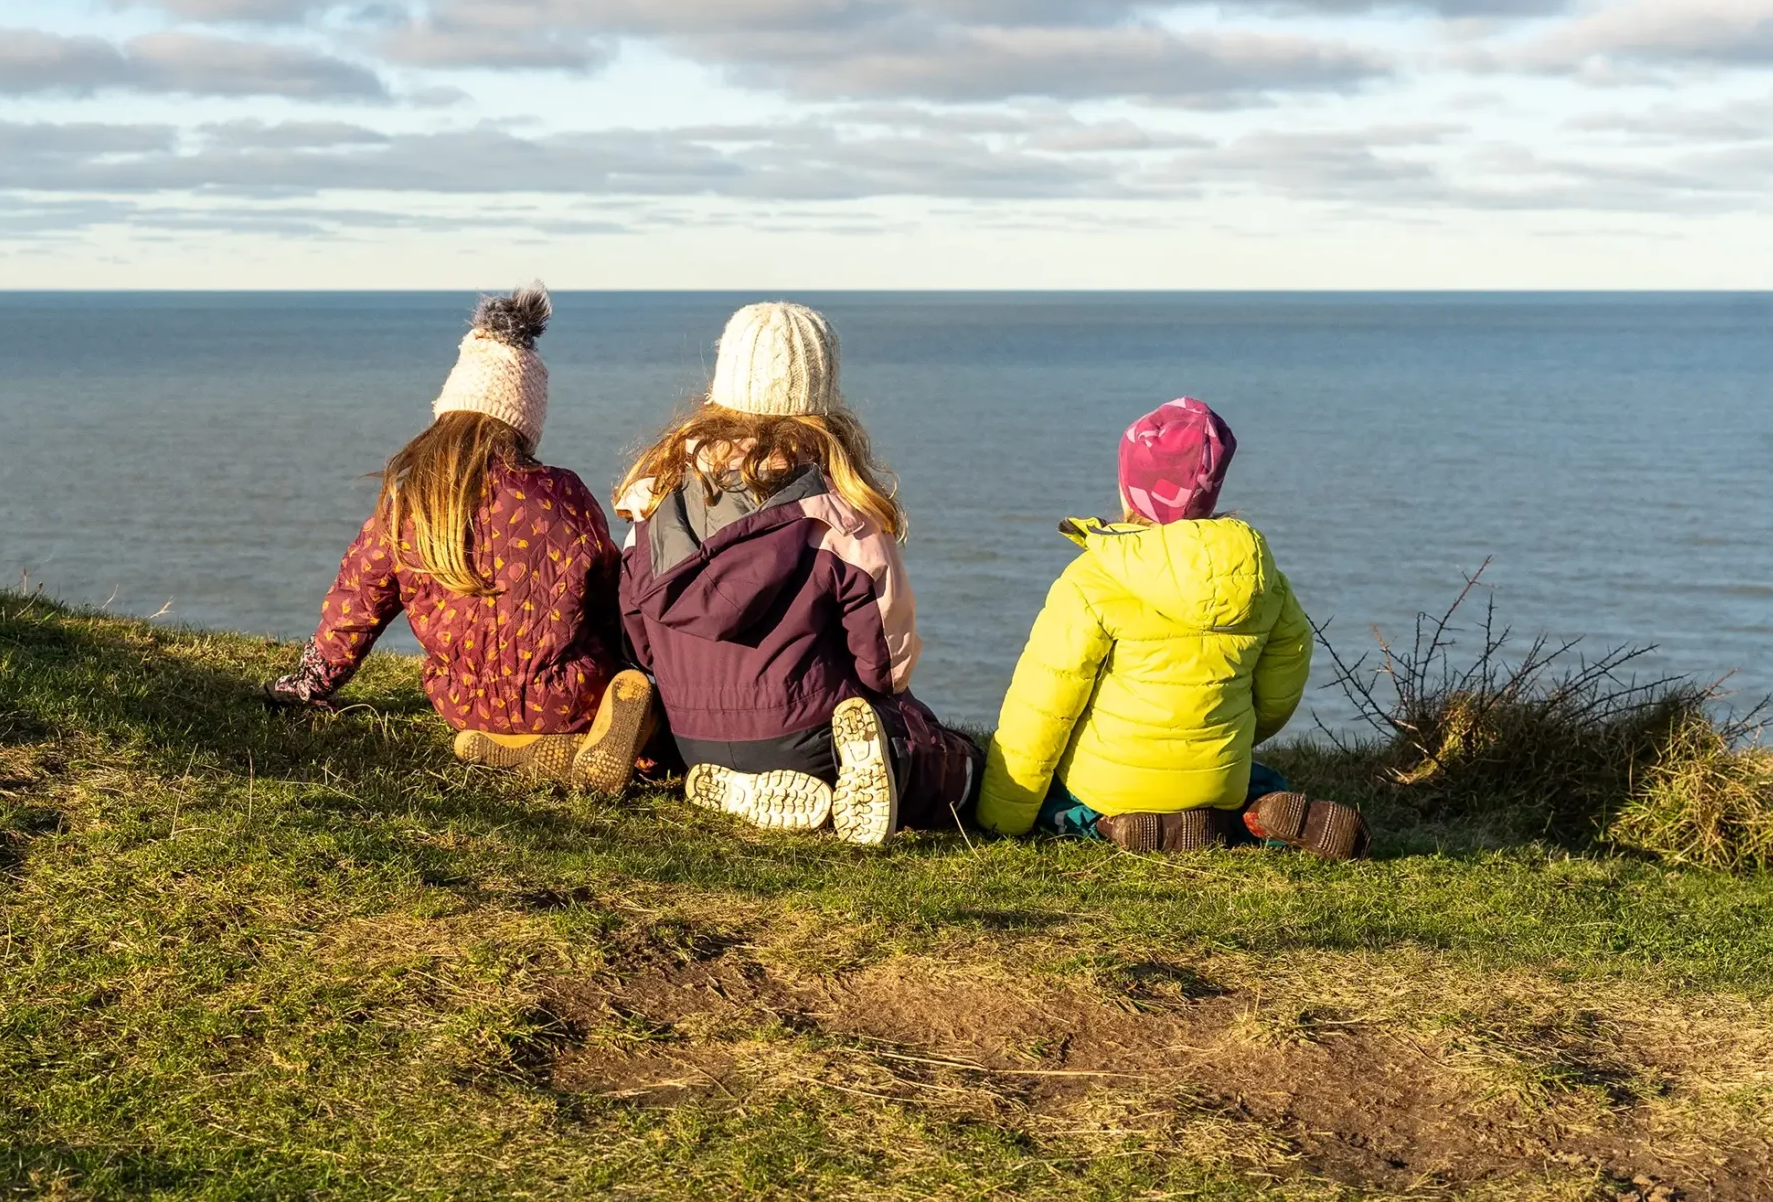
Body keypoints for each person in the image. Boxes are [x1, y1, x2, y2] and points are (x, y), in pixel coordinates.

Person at [614, 301, 978, 846]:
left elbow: (638, 643)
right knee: (940, 755)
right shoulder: (840, 517)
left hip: (693, 735)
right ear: (821, 395)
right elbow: (886, 664)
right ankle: (891, 774)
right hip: (812, 736)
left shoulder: (652, 504)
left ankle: (735, 784)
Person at [267, 287, 653, 796]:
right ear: (525, 424)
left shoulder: (411, 502)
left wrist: (310, 683)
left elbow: (358, 600)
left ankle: (511, 746)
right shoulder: (562, 493)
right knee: (638, 696)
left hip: (463, 703)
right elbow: (608, 596)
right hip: (567, 696)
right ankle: (611, 742)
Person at [973, 397, 1367, 858]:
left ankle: (1111, 826)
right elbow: (1283, 685)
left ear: (1129, 489)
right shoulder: (1262, 581)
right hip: (1216, 777)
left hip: (1111, 784)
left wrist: (1001, 817)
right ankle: (1240, 818)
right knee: (1259, 779)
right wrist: (1229, 736)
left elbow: (1042, 706)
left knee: (1058, 802)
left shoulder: (1093, 580)